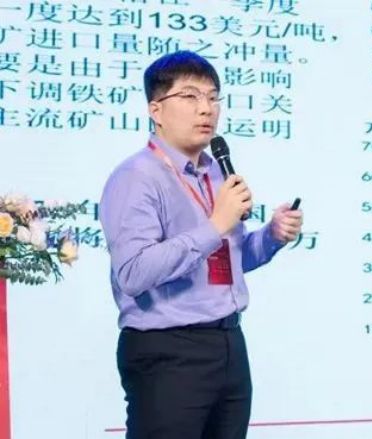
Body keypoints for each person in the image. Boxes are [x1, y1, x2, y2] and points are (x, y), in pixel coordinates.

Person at [99, 50, 303, 439]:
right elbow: (133, 273)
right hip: (168, 352)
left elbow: (227, 259)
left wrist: (272, 236)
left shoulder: (216, 173)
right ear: (156, 110)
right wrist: (215, 225)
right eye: (190, 97)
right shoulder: (136, 177)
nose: (206, 108)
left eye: (213, 97)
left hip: (228, 343)